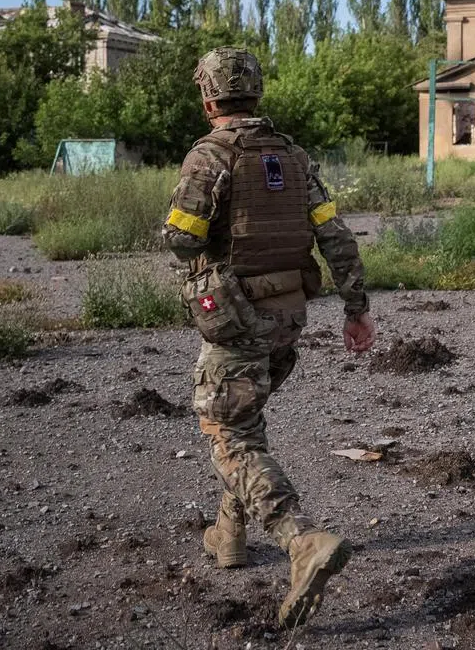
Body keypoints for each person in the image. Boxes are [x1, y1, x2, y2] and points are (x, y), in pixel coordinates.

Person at [162, 46, 376, 629]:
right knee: (245, 419)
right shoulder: (295, 157)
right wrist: (355, 309)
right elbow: (335, 236)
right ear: (256, 93)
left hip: (235, 318)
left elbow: (181, 241)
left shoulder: (208, 157)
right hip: (289, 316)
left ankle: (299, 538)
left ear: (209, 98)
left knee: (228, 431)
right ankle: (228, 536)